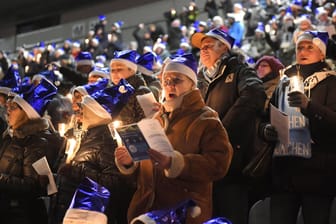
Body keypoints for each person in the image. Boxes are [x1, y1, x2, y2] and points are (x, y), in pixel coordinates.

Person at [115, 53, 233, 224]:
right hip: (147, 213)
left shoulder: (206, 119)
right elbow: (146, 172)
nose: (169, 85)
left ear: (192, 84)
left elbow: (219, 164)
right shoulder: (156, 118)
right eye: (166, 81)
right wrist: (130, 162)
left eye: (176, 80)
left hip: (184, 213)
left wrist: (175, 163)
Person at [190, 28, 266, 224]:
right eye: (201, 48)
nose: (203, 51)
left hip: (234, 161)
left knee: (232, 214)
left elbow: (254, 95)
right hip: (206, 162)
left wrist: (222, 130)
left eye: (208, 46)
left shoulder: (239, 70)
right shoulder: (199, 80)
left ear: (224, 47)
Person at [267, 30, 336, 224]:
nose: (303, 51)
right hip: (284, 172)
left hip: (317, 173)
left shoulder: (331, 82)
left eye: (309, 47)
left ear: (322, 54)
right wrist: (266, 129)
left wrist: (308, 106)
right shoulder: (284, 81)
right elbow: (268, 115)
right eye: (299, 47)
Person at [52, 80, 135, 224]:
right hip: (70, 208)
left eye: (82, 111)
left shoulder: (106, 142)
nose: (78, 115)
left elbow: (114, 183)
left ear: (95, 114)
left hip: (89, 213)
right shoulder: (83, 136)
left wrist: (76, 170)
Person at [0, 78, 59, 224]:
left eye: (14, 107)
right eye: (9, 106)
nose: (8, 110)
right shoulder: (12, 136)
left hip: (20, 214)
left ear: (26, 113)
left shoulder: (36, 143)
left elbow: (31, 185)